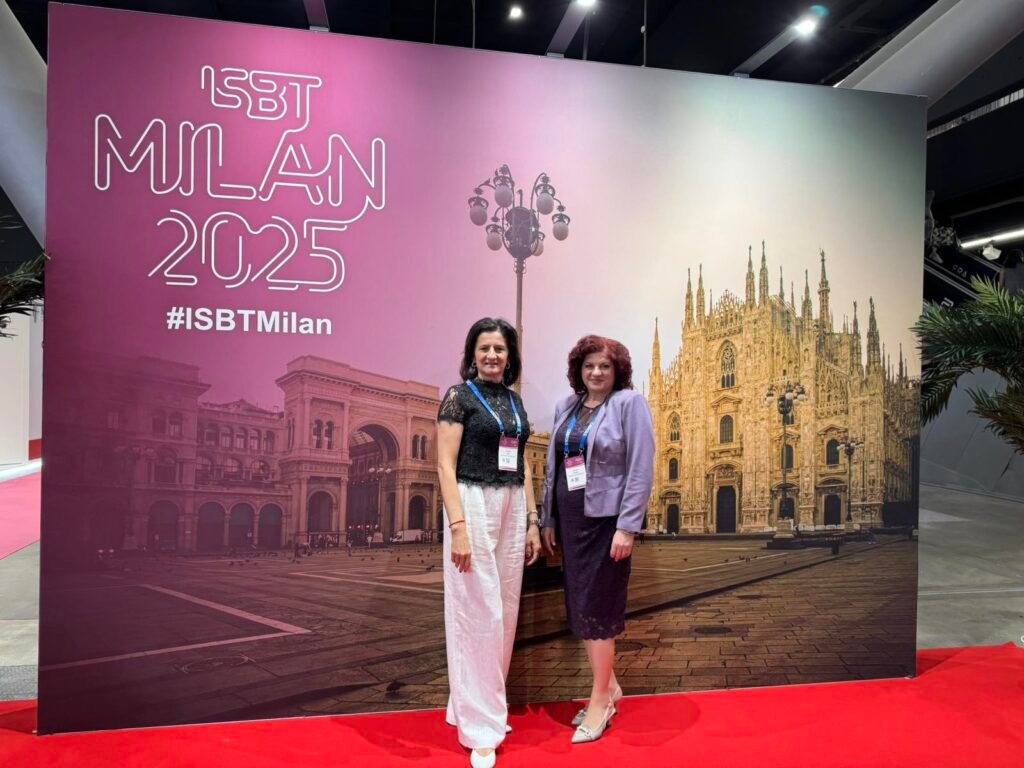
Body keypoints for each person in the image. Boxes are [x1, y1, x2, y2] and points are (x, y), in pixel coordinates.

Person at [437, 317, 543, 768]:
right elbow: (444, 465)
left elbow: (523, 465)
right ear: (473, 354)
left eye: (499, 349)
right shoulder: (458, 396)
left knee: (505, 608)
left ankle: (476, 704)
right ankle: (481, 729)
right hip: (472, 500)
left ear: (509, 355)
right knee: (477, 610)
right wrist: (458, 526)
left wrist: (533, 520)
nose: (492, 356)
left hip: (512, 502)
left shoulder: (515, 402)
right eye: (484, 348)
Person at [540, 334, 655, 744]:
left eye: (605, 366)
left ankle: (600, 699)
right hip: (571, 522)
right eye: (589, 365)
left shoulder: (629, 403)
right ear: (579, 370)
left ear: (617, 370)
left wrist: (628, 526)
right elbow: (553, 469)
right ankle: (610, 686)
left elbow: (641, 466)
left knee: (598, 609)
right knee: (580, 607)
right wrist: (548, 518)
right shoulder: (566, 407)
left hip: (606, 523)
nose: (596, 372)